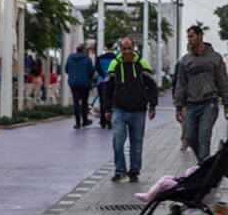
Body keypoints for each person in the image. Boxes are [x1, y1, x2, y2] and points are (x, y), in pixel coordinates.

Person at [174, 26, 228, 165]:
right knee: (189, 135)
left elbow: (223, 81)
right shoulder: (185, 60)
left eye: (192, 36)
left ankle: (203, 168)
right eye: (188, 37)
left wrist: (227, 103)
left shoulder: (215, 58)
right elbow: (181, 84)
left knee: (204, 135)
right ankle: (205, 161)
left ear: (200, 36)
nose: (190, 39)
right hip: (191, 104)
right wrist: (178, 106)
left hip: (209, 103)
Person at [106, 38, 158, 183]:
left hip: (138, 110)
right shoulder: (114, 64)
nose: (127, 52)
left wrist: (152, 106)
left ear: (134, 48)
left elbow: (152, 86)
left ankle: (134, 171)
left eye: (130, 48)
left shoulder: (142, 64)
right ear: (120, 50)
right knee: (118, 140)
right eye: (124, 49)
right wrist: (107, 108)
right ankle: (120, 170)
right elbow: (107, 88)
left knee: (136, 143)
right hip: (118, 109)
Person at [64, 43, 97, 128]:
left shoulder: (70, 58)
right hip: (84, 83)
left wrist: (73, 74)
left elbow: (66, 70)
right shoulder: (87, 59)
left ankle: (77, 122)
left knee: (76, 102)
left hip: (74, 83)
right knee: (84, 102)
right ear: (84, 50)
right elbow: (91, 72)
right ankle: (85, 120)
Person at [95, 45, 117, 128]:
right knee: (112, 100)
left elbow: (97, 68)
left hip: (101, 81)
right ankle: (110, 121)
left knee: (102, 101)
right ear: (113, 49)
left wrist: (104, 76)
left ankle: (103, 121)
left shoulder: (99, 58)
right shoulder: (116, 58)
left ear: (105, 49)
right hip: (114, 81)